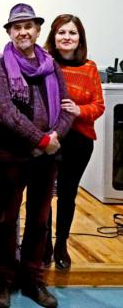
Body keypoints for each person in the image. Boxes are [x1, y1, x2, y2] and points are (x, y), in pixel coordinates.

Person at [0, 4, 74, 308]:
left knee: (39, 221)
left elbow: (67, 107)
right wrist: (39, 139)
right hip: (14, 156)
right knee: (8, 219)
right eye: (17, 27)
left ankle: (32, 280)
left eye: (28, 26)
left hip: (48, 156)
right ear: (10, 32)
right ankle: (2, 281)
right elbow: (4, 113)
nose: (23, 32)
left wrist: (55, 138)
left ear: (37, 30)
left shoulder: (52, 65)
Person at [42, 14, 105, 271]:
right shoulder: (43, 64)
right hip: (48, 139)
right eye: (61, 32)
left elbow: (98, 105)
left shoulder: (89, 67)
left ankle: (61, 244)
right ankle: (43, 244)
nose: (66, 37)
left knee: (67, 195)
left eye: (72, 33)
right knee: (43, 194)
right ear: (53, 37)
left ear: (80, 38)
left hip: (79, 141)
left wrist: (79, 111)